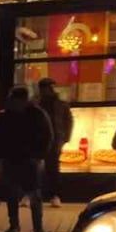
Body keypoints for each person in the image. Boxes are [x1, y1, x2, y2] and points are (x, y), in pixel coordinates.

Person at [0, 85, 54, 232]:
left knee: (34, 195)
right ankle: (14, 227)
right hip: (12, 160)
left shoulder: (37, 114)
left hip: (30, 160)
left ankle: (38, 229)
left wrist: (39, 155)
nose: (15, 104)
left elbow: (47, 136)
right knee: (12, 195)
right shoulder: (6, 115)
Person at [36, 77, 73, 207]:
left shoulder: (60, 105)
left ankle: (54, 195)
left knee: (53, 169)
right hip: (39, 140)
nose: (46, 90)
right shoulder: (36, 104)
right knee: (36, 169)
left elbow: (68, 122)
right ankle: (33, 194)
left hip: (54, 140)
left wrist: (64, 139)